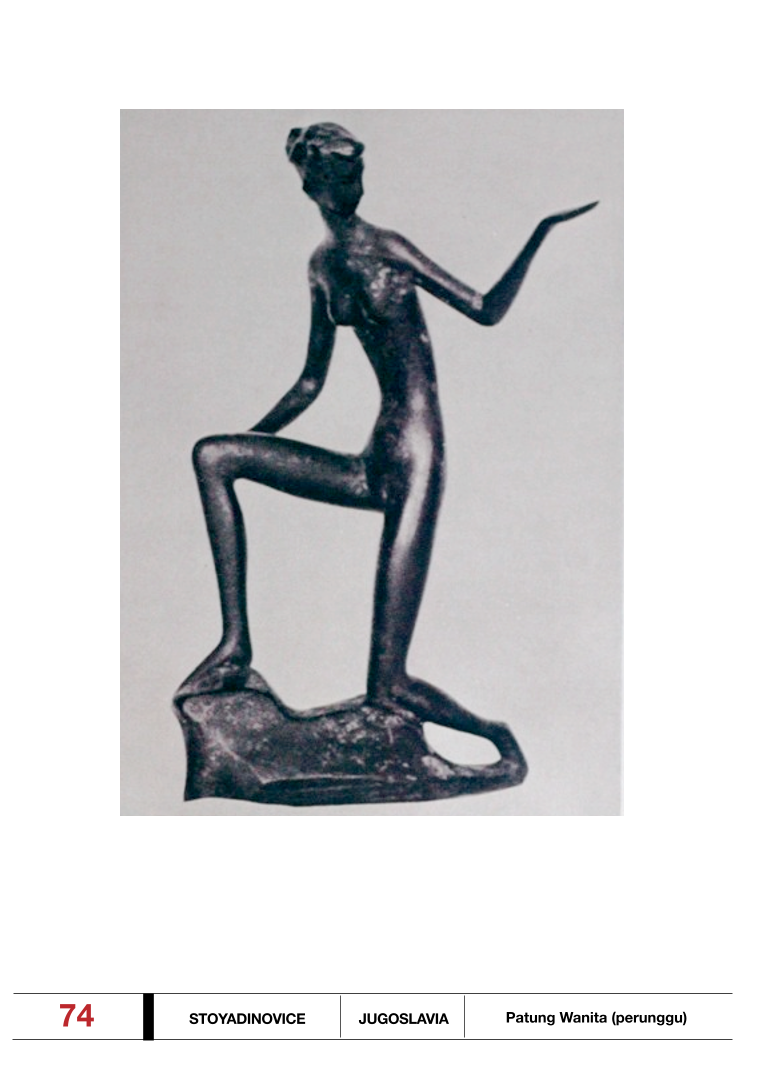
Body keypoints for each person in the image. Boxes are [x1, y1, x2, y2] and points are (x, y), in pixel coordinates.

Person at [176, 122, 595, 746]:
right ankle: (235, 643)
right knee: (215, 456)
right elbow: (310, 383)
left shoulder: (389, 247)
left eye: (358, 174)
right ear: (312, 187)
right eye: (341, 177)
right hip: (377, 456)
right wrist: (255, 445)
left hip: (418, 457)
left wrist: (539, 234)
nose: (355, 187)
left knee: (388, 687)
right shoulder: (322, 266)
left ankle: (500, 742)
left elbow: (484, 308)